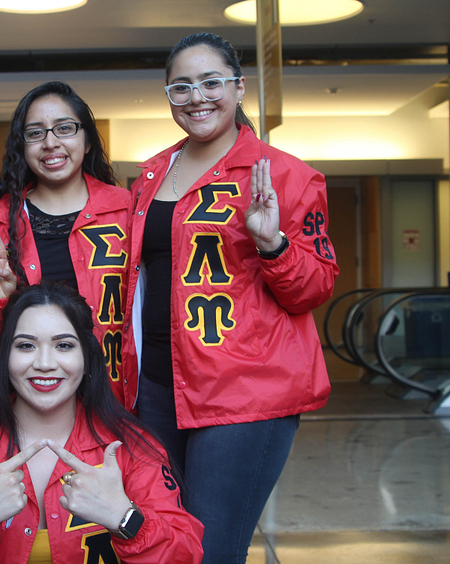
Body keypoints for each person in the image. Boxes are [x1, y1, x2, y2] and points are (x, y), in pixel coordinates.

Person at [123, 33, 339, 564]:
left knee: (211, 550)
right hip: (155, 390)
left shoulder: (286, 175)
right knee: (159, 543)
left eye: (211, 82)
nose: (197, 97)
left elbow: (315, 288)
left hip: (245, 394)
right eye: (181, 87)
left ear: (239, 88)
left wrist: (273, 243)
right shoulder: (150, 176)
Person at [0, 282, 204, 564]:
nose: (44, 363)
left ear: (87, 357)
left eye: (64, 346)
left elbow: (186, 554)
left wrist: (125, 518)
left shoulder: (131, 446)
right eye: (26, 346)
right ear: (5, 357)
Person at [0, 81, 131, 407]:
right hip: (23, 401)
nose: (50, 143)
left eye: (64, 129)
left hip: (112, 398)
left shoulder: (127, 211)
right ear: (22, 146)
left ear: (87, 140)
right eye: (35, 133)